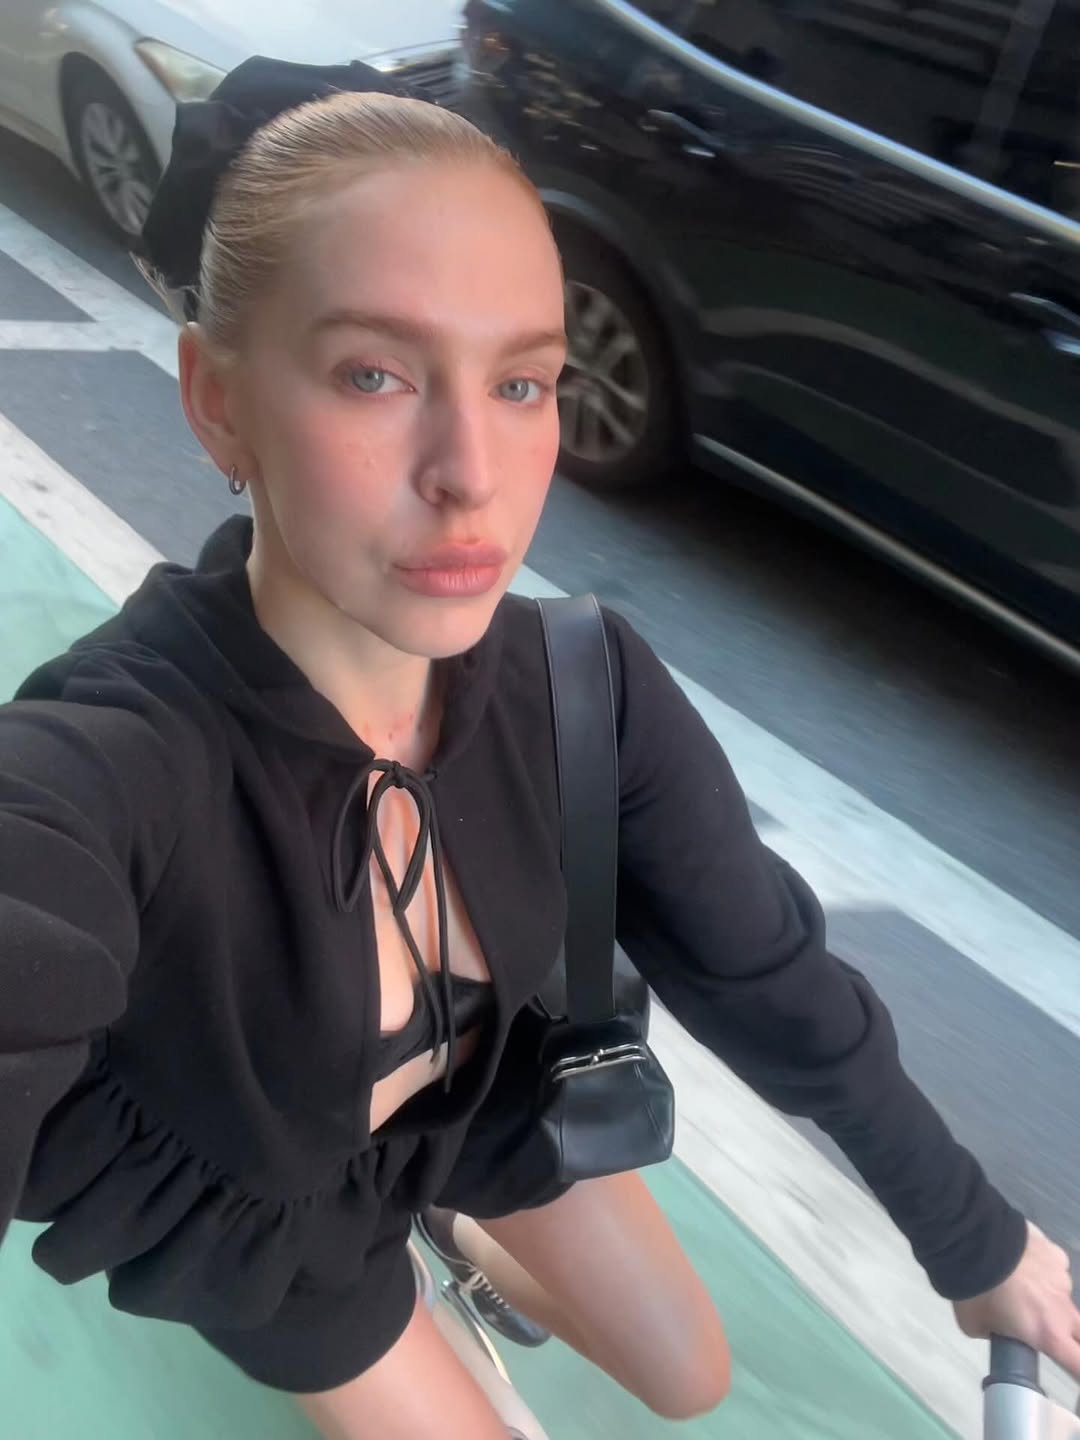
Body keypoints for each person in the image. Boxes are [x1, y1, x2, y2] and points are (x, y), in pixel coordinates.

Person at [0, 55, 1076, 1439]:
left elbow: (772, 980)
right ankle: (388, 1288)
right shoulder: (108, 763)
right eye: (375, 374)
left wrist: (977, 1245)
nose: (472, 474)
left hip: (477, 1117)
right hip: (273, 1206)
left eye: (522, 383)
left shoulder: (585, 685)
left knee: (690, 1375)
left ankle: (442, 1229)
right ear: (217, 400)